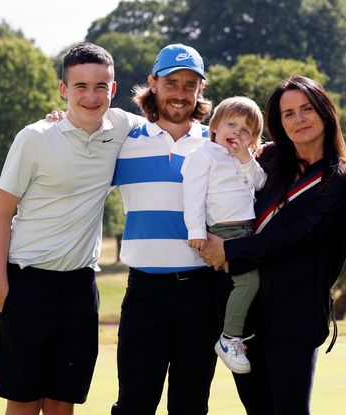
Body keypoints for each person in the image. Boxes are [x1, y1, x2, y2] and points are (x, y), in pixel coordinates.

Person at [0, 42, 140, 415]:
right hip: (27, 284)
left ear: (113, 89)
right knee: (23, 403)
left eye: (100, 86)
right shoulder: (35, 138)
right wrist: (3, 291)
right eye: (80, 87)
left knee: (61, 403)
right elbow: (0, 214)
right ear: (63, 90)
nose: (91, 96)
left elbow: (173, 124)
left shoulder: (122, 127)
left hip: (79, 288)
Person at [200, 76, 346, 415]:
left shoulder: (345, 179)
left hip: (295, 313)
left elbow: (298, 236)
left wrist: (228, 252)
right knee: (257, 409)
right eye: (288, 114)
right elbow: (214, 157)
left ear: (325, 112)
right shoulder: (268, 159)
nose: (298, 119)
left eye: (306, 109)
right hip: (242, 308)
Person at [109, 44, 219, 415]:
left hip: (203, 294)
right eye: (172, 82)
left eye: (191, 84)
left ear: (200, 90)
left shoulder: (216, 144)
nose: (181, 92)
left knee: (190, 406)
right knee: (134, 404)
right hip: (145, 292)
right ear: (153, 83)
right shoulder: (124, 143)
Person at [181, 96, 266, 374]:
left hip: (247, 232)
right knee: (248, 282)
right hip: (223, 230)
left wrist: (245, 158)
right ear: (214, 126)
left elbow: (260, 182)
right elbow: (192, 195)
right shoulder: (203, 155)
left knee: (253, 283)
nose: (237, 133)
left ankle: (241, 331)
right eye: (231, 124)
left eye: (245, 130)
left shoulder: (245, 159)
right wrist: (196, 232)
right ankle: (229, 338)